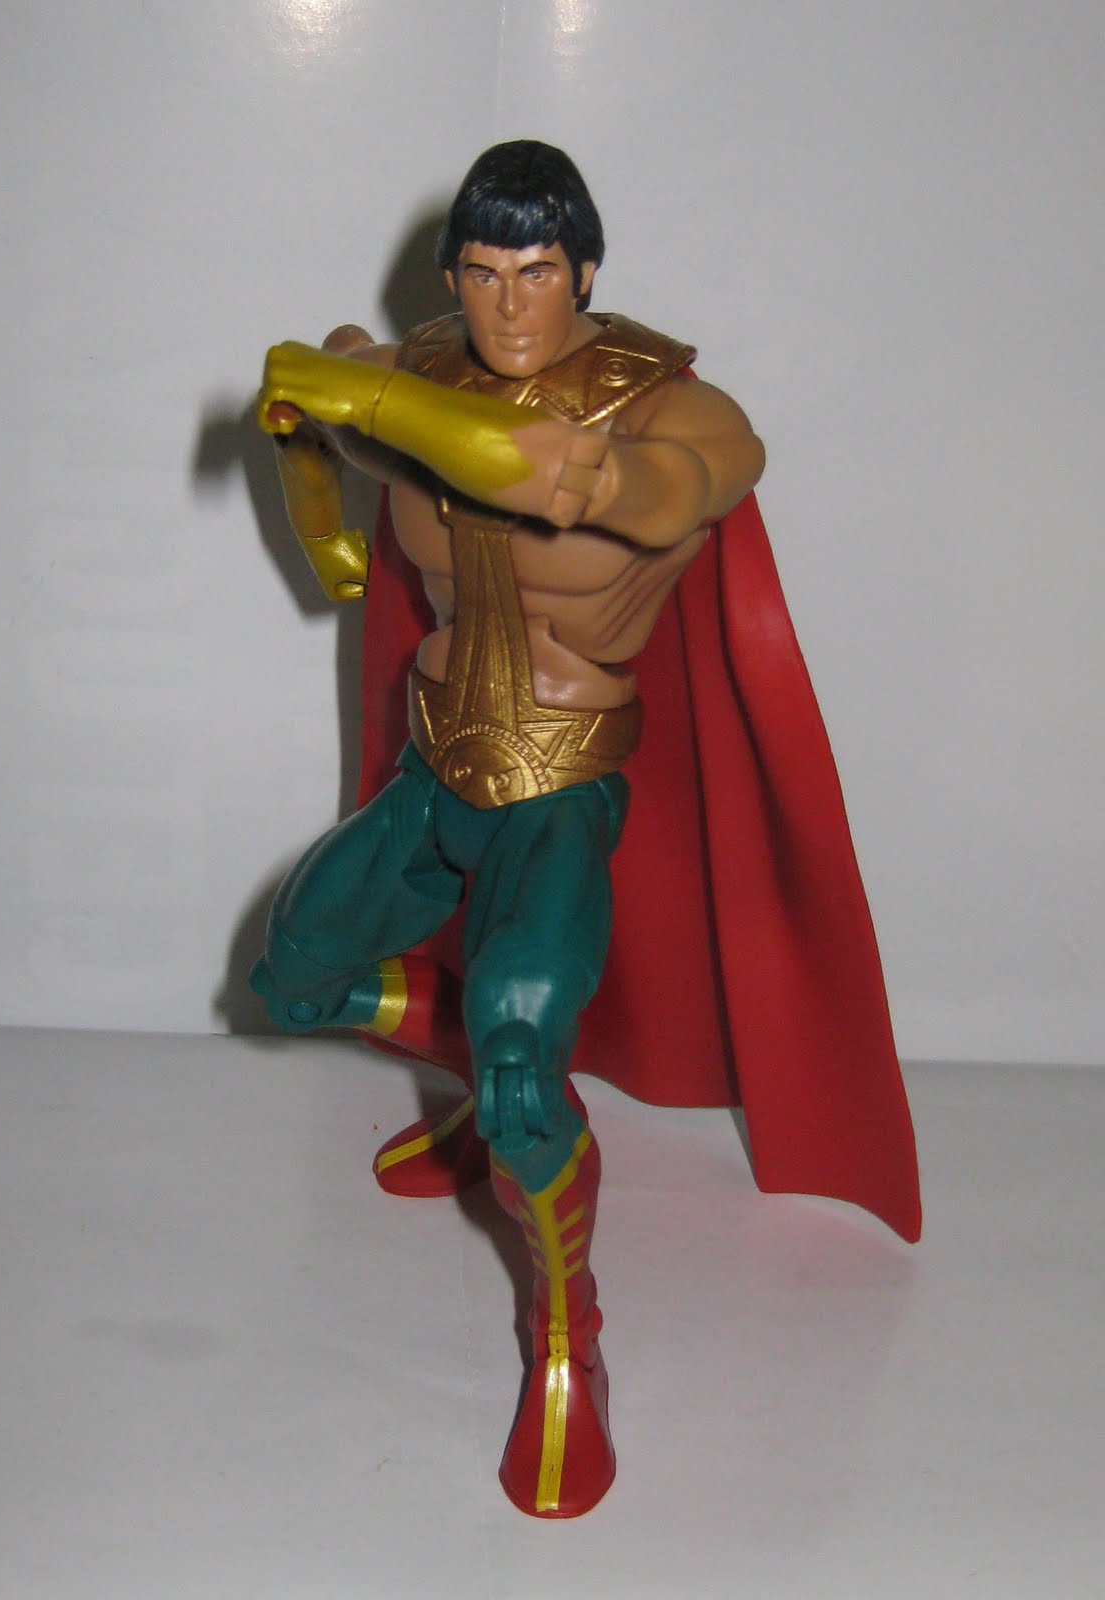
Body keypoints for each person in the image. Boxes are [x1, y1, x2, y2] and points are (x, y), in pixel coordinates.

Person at [250, 140, 920, 1519]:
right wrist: (316, 483)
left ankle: (565, 1334)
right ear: (453, 277)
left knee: (518, 1070)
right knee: (292, 975)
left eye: (539, 272)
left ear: (587, 272)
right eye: (484, 274)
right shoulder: (413, 374)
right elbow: (311, 400)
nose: (510, 305)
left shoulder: (679, 412)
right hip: (438, 767)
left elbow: (559, 476)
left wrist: (361, 395)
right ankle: (489, 1106)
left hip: (561, 793)